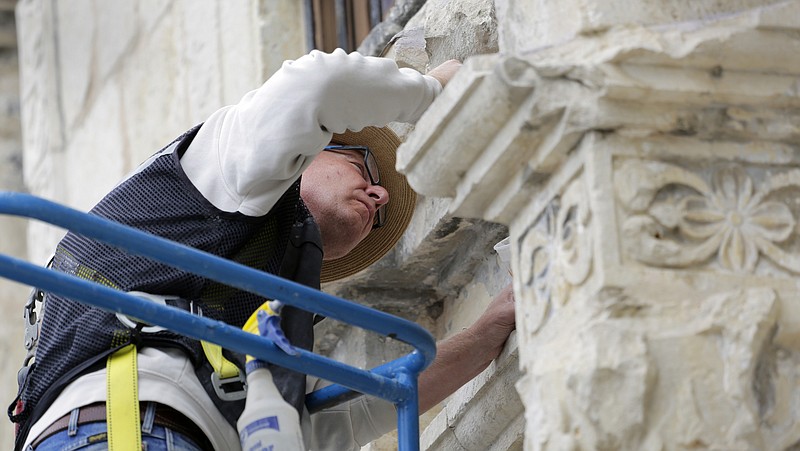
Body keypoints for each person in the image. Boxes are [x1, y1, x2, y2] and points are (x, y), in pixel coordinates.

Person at [9, 48, 516, 450]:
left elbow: (360, 411)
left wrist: (487, 334)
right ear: (312, 151)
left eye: (380, 212)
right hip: (122, 429)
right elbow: (317, 85)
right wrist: (436, 94)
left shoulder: (273, 325)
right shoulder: (220, 172)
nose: (379, 195)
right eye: (365, 168)